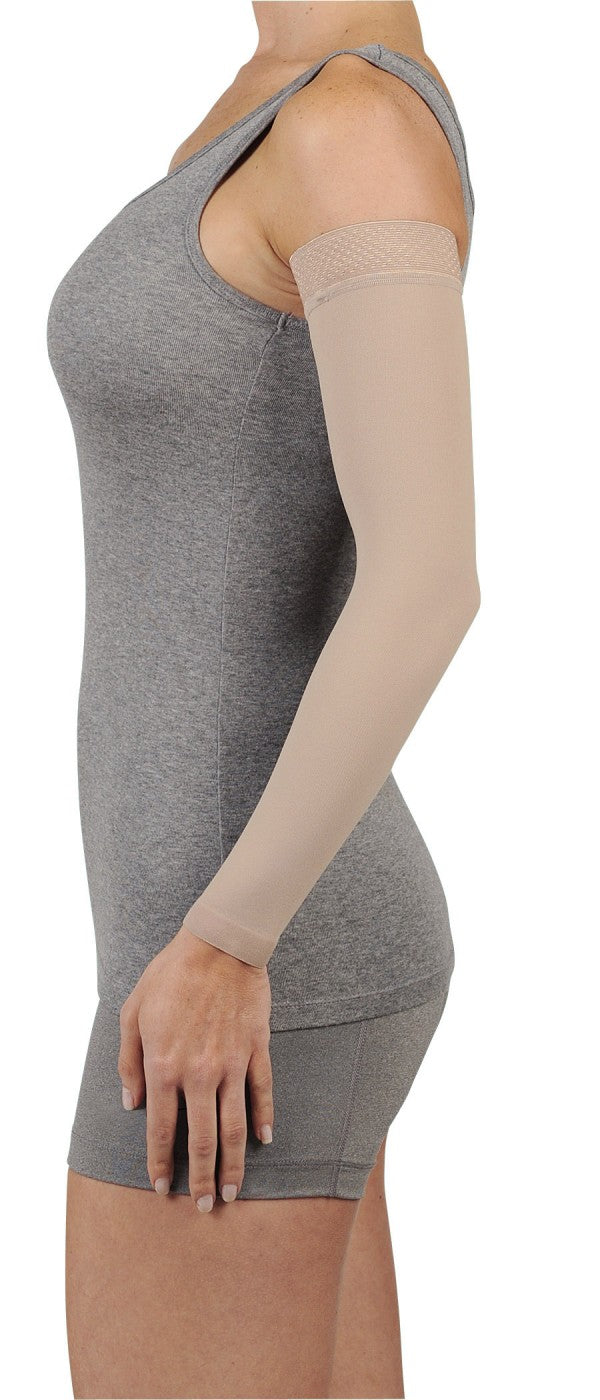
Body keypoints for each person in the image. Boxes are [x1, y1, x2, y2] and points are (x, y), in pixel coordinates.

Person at [47, 2, 480, 1395]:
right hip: (222, 939)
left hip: (250, 952)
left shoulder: (355, 126)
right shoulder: (276, 96)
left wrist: (231, 941)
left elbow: (426, 582)